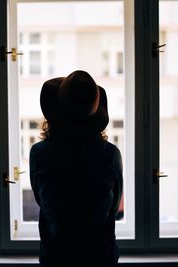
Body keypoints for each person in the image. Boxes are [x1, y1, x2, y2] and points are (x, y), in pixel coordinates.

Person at [29, 70, 123, 267]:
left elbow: (41, 200)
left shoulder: (39, 154)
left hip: (56, 257)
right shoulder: (110, 155)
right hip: (100, 259)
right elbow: (112, 207)